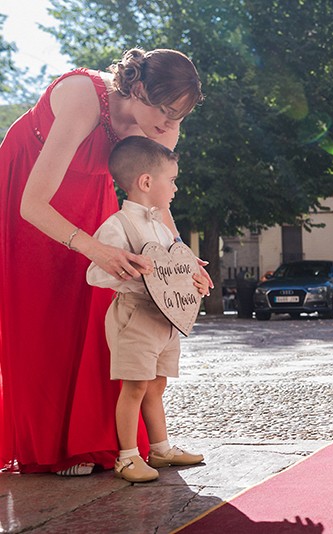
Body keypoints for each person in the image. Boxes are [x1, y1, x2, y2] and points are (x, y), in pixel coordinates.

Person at [0, 48, 203, 475]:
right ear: (139, 88)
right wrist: (96, 248)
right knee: (45, 317)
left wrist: (181, 259)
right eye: (166, 111)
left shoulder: (163, 131)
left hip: (89, 199)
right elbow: (32, 205)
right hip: (28, 188)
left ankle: (95, 442)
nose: (170, 126)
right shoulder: (83, 98)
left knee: (95, 312)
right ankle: (54, 451)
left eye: (180, 117)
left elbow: (154, 204)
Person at [87, 136, 208, 482]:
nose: (175, 189)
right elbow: (95, 272)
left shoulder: (161, 226)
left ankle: (160, 448)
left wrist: (194, 282)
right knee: (135, 387)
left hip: (166, 319)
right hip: (135, 316)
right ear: (145, 182)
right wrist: (127, 268)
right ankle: (127, 456)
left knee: (156, 385)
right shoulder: (117, 226)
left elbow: (178, 269)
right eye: (171, 181)